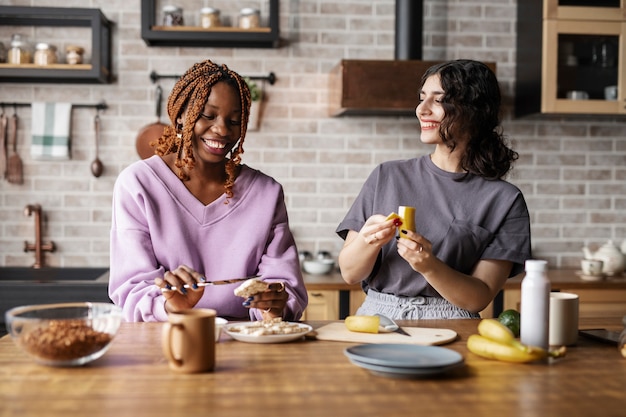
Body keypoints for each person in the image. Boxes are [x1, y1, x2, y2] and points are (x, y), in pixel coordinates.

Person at [109, 59, 307, 322]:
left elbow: (284, 287)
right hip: (167, 338)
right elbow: (131, 289)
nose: (222, 129)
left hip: (247, 344)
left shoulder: (266, 193)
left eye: (234, 120)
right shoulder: (138, 184)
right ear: (181, 115)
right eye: (208, 115)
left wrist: (272, 306)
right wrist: (172, 306)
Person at [336, 59, 531, 320]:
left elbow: (479, 297)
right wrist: (368, 241)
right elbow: (349, 273)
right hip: (377, 318)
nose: (421, 110)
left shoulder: (505, 200)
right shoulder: (387, 175)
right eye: (422, 98)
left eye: (438, 100)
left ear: (474, 110)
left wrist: (428, 266)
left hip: (453, 322)